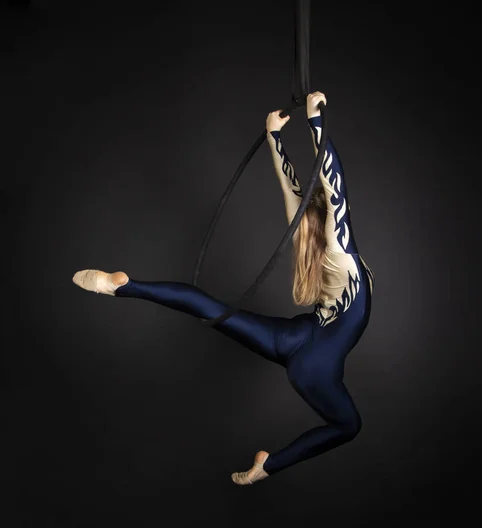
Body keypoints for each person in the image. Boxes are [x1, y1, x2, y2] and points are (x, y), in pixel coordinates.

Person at [73, 91, 375, 485]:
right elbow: (335, 189)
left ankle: (124, 286)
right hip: (315, 365)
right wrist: (317, 123)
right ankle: (269, 466)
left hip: (298, 335)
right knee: (348, 426)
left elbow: (296, 192)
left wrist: (275, 138)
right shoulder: (339, 250)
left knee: (210, 308)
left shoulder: (307, 238)